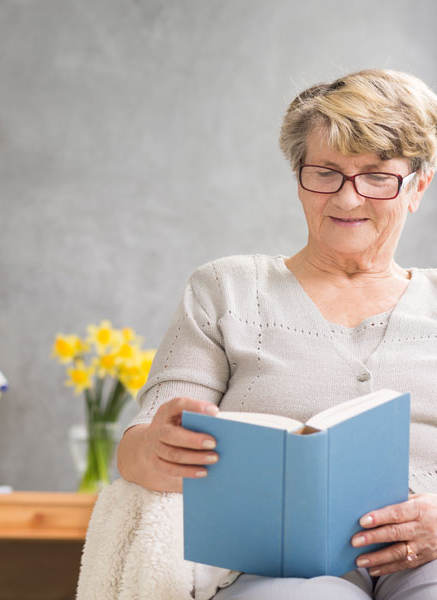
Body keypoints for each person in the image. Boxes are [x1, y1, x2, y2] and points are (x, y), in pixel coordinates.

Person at [117, 68, 437, 599]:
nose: (347, 199)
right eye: (326, 172)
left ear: (418, 185)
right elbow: (139, 444)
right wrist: (156, 447)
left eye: (377, 175)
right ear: (298, 176)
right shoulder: (226, 289)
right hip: (280, 561)